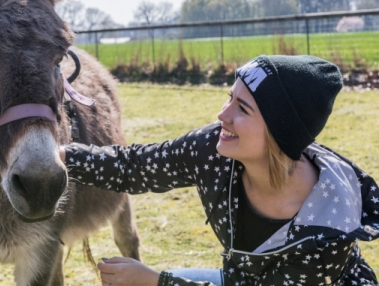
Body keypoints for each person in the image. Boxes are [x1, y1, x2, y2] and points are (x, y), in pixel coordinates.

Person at [61, 55, 379, 286]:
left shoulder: (328, 229)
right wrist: (60, 156)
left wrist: (156, 281)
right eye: (230, 97)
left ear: (279, 134)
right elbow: (137, 166)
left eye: (242, 109)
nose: (222, 114)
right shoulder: (215, 148)